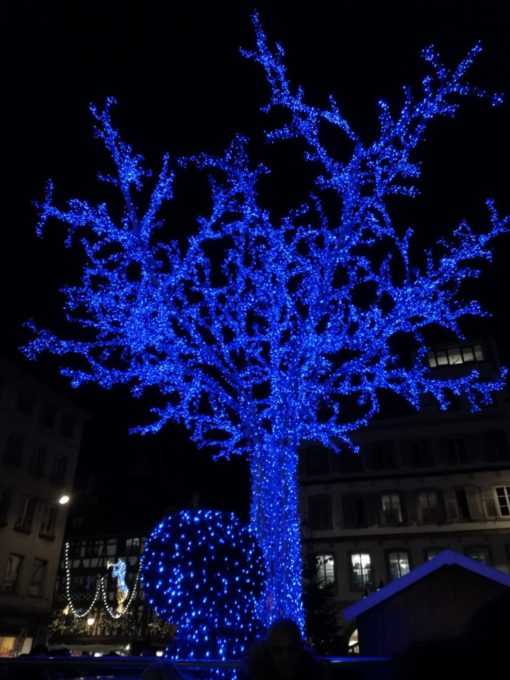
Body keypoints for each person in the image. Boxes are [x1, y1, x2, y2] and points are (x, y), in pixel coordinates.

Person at [240, 618, 330, 679]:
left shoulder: (315, 674)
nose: (286, 658)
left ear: (300, 649)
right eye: (278, 651)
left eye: (292, 650)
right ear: (268, 652)